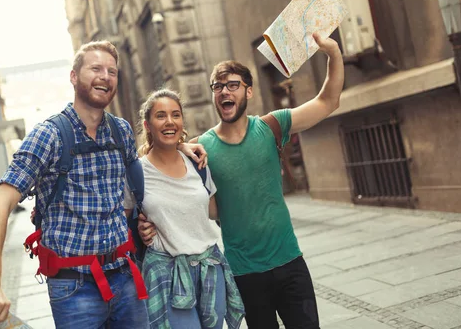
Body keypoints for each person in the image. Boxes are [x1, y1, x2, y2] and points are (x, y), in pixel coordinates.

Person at [0, 40, 206, 328]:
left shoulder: (121, 130)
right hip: (74, 288)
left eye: (112, 71)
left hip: (125, 276)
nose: (105, 76)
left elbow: (143, 161)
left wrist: (179, 147)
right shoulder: (48, 136)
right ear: (74, 77)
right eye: (96, 68)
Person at [140, 33, 344, 328]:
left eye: (233, 85)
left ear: (248, 92)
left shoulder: (272, 125)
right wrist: (145, 221)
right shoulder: (200, 149)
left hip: (290, 262)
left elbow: (328, 101)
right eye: (218, 86)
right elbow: (158, 165)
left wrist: (333, 53)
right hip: (244, 274)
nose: (225, 92)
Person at [130, 89, 244, 329]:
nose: (170, 121)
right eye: (160, 116)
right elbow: (124, 218)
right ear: (147, 125)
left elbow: (213, 212)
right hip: (166, 274)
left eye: (176, 115)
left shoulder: (197, 163)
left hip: (210, 267)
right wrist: (139, 227)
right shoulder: (136, 173)